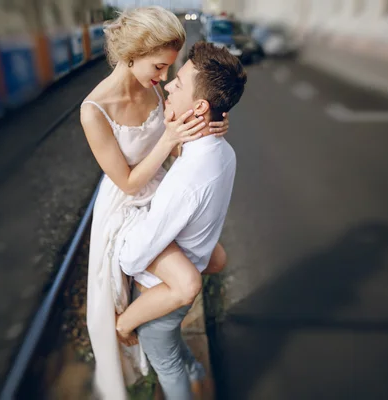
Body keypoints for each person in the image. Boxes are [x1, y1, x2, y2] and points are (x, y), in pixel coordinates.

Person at [79, 7, 230, 400]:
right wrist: (167, 141)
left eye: (168, 71)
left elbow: (180, 135)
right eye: (159, 66)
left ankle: (163, 326)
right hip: (127, 205)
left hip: (161, 189)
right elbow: (128, 182)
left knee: (217, 258)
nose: (163, 78)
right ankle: (129, 324)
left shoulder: (152, 87)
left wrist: (213, 124)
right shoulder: (93, 111)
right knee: (187, 281)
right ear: (133, 52)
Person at [117, 41, 247, 400]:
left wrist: (126, 320)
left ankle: (190, 378)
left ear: (200, 106)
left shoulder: (188, 179)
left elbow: (132, 257)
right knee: (175, 351)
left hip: (156, 297)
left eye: (179, 83)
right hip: (181, 285)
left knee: (167, 366)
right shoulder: (224, 152)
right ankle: (198, 372)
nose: (168, 86)